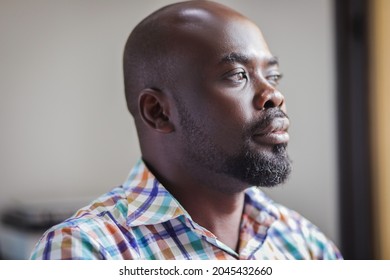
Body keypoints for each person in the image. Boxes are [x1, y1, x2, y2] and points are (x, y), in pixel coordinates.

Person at [31, 0, 342, 260]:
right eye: (237, 75)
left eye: (272, 76)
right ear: (158, 112)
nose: (274, 95)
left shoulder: (305, 245)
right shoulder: (85, 251)